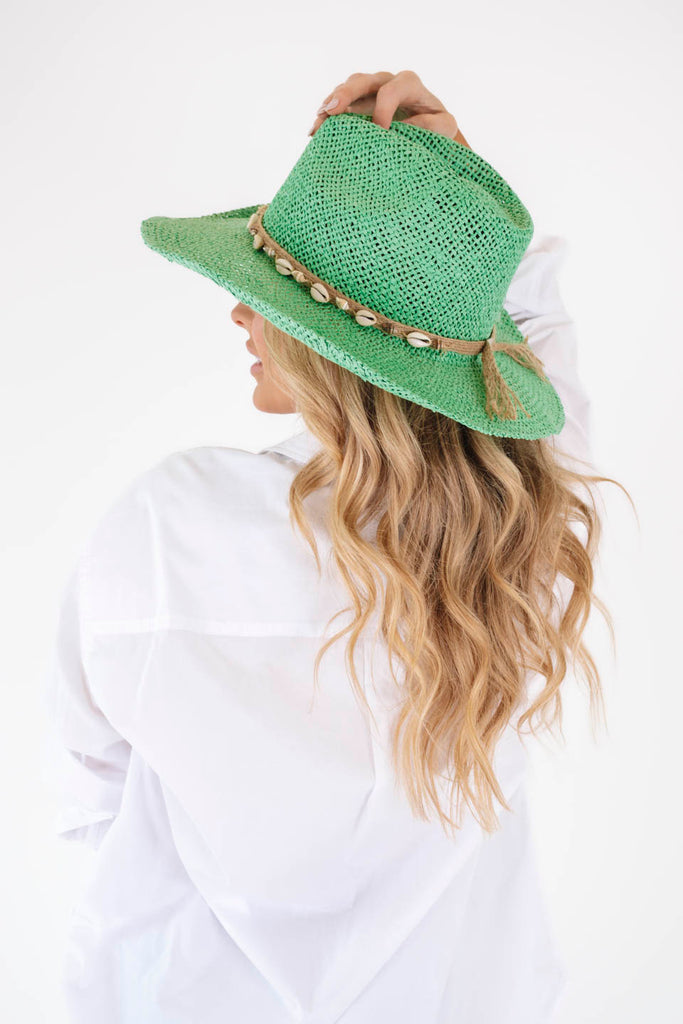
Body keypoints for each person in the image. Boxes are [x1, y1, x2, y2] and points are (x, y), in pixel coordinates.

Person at [43, 70, 629, 1023]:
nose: (239, 313)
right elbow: (544, 413)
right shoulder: (511, 550)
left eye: (265, 293)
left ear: (328, 344)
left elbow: (87, 791)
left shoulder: (172, 521)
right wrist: (459, 217)